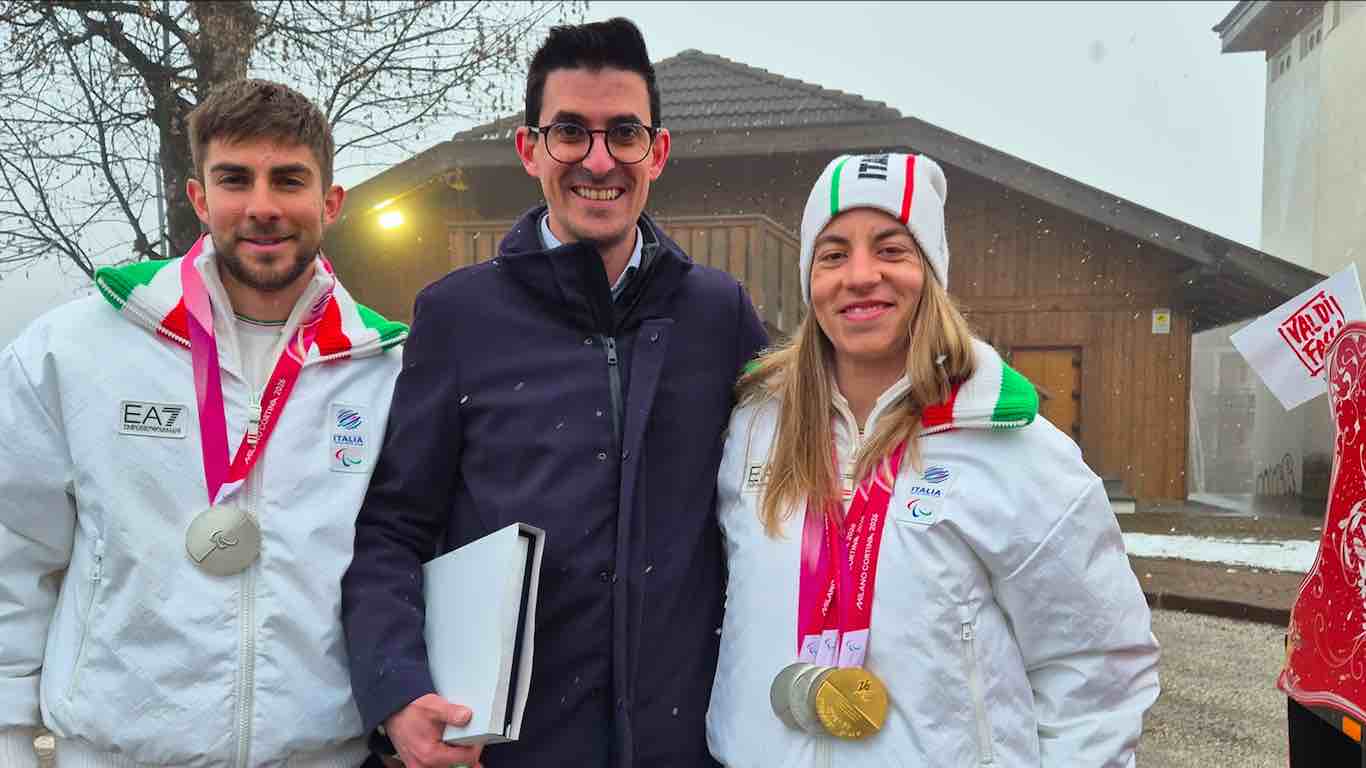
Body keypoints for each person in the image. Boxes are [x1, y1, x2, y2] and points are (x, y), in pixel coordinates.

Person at [341, 16, 767, 768]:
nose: (598, 160)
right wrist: (398, 689)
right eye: (570, 131)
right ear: (529, 148)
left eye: (623, 133)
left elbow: (803, 474)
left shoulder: (718, 313)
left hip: (681, 746)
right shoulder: (457, 315)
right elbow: (393, 530)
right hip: (510, 749)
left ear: (657, 151)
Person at [705, 152, 1160, 766]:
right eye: (834, 253)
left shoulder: (1013, 445)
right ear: (811, 280)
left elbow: (1097, 670)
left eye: (892, 249)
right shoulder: (755, 428)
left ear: (932, 271)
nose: (860, 275)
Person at [0, 80, 406, 767]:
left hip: (323, 756)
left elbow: (405, 562)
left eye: (289, 180)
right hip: (115, 754)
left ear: (330, 202)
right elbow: (15, 550)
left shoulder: (385, 370)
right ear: (199, 198)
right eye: (234, 179)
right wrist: (9, 738)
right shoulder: (75, 349)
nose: (263, 207)